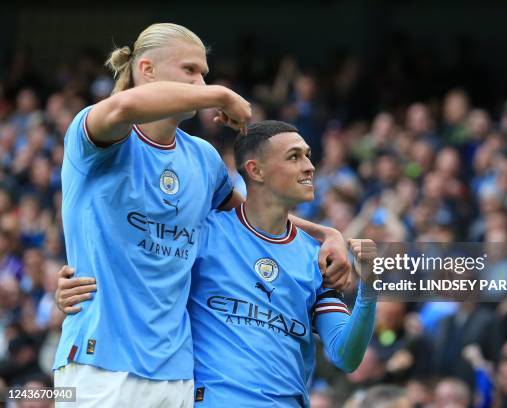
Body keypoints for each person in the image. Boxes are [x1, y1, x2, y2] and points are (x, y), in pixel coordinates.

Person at [55, 23, 350, 407]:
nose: (200, 83)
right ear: (147, 70)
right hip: (99, 362)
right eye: (190, 70)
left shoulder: (203, 159)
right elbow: (125, 106)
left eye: (204, 75)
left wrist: (327, 234)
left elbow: (253, 221)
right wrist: (222, 94)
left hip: (177, 374)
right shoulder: (98, 137)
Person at [58, 120, 377, 407]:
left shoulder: (316, 257)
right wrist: (82, 280)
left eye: (308, 155)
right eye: (294, 157)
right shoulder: (202, 235)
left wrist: (370, 289)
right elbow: (136, 268)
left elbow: (345, 354)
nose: (309, 166)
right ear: (256, 170)